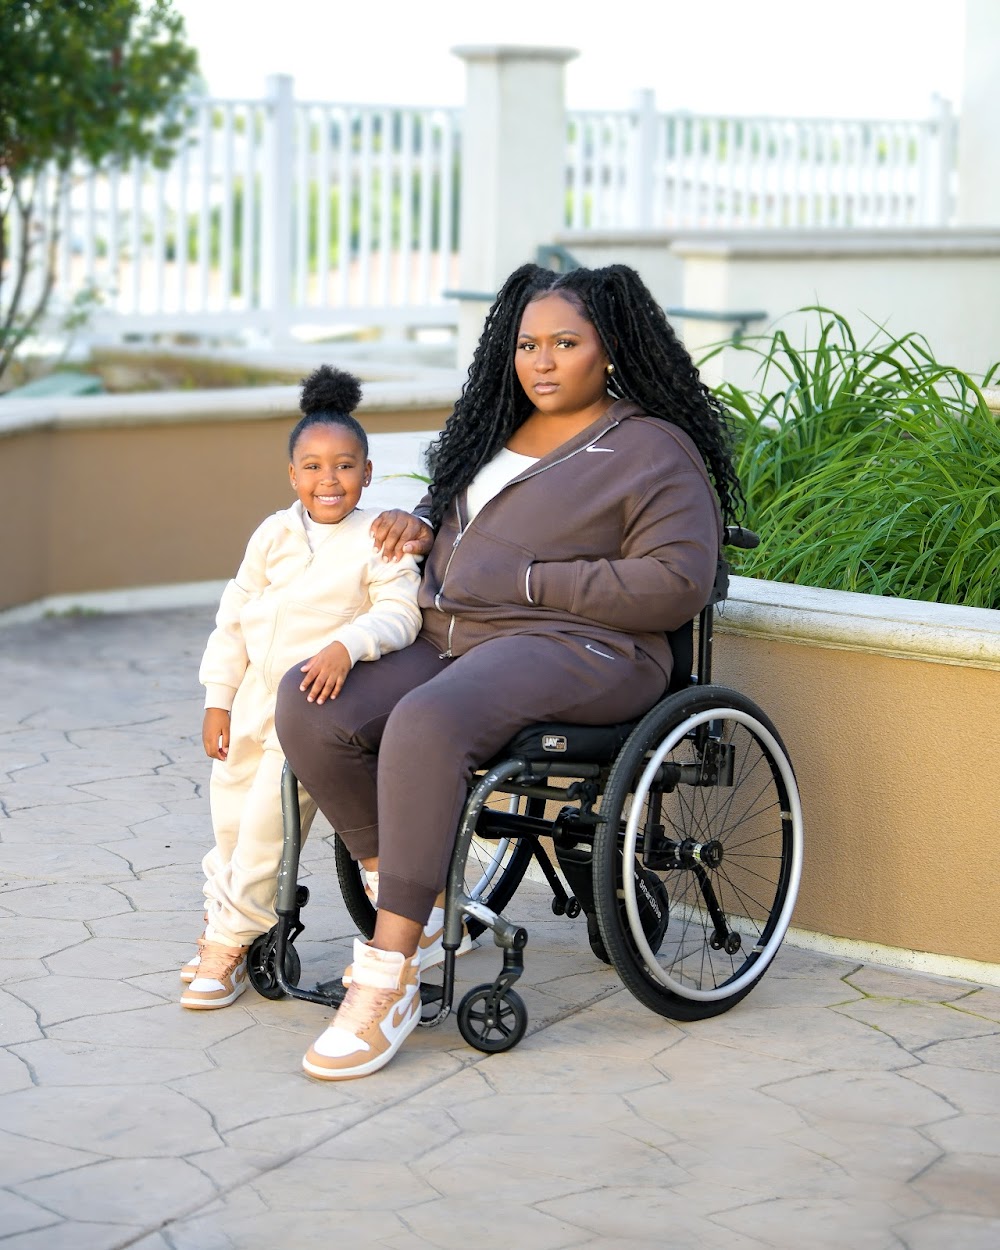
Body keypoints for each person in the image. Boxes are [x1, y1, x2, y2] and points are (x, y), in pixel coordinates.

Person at [275, 263, 743, 1078]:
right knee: (312, 703)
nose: (543, 362)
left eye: (566, 342)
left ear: (610, 348)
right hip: (456, 636)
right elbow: (471, 525)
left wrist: (531, 581)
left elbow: (678, 582)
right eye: (528, 344)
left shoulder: (650, 448)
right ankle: (407, 901)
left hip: (587, 648)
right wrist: (418, 523)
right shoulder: (496, 428)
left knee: (429, 721)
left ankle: (386, 978)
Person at [181, 366, 422, 1010]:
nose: (329, 480)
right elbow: (232, 620)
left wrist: (348, 646)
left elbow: (402, 614)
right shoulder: (273, 534)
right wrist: (217, 699)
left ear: (367, 474)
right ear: (293, 476)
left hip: (311, 705)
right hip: (252, 699)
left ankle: (227, 946)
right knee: (230, 826)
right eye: (313, 467)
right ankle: (225, 921)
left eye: (344, 466)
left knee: (266, 829)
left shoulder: (382, 540)